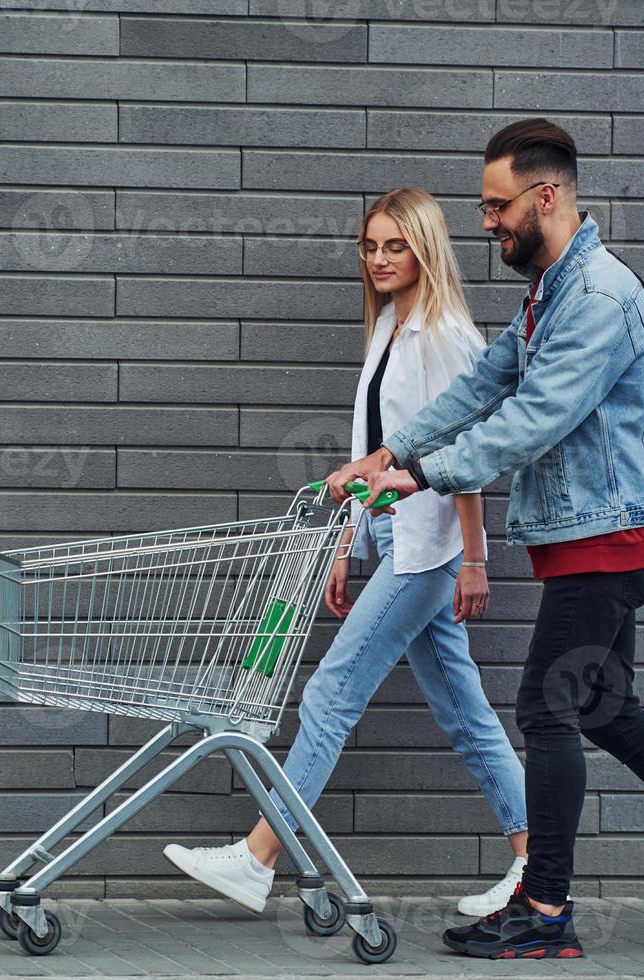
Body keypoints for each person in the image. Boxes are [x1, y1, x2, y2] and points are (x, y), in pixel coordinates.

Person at [342, 118, 644, 959]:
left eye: (496, 206)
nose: (486, 222)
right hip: (590, 535)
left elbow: (532, 419)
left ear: (545, 195)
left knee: (547, 708)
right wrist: (393, 448)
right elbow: (488, 382)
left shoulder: (596, 297)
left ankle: (546, 911)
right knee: (603, 707)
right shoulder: (554, 286)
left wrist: (422, 476)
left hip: (607, 540)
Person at [162, 187, 529, 918]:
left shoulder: (443, 334)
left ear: (425, 249)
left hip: (426, 551)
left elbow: (463, 454)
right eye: (371, 246)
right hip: (397, 538)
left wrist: (476, 558)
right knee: (464, 711)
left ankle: (260, 855)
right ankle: (540, 863)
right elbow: (376, 455)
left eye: (396, 245)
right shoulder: (393, 324)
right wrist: (345, 546)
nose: (381, 259)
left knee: (332, 692)